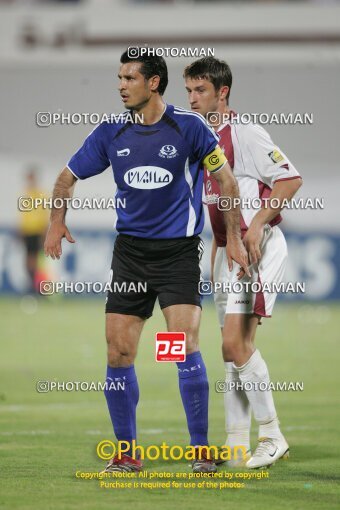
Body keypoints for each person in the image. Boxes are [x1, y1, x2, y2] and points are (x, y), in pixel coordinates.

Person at [44, 49, 249, 473]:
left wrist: (232, 237)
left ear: (153, 82)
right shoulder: (110, 133)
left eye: (129, 78)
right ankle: (127, 454)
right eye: (119, 77)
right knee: (119, 352)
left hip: (177, 256)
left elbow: (225, 179)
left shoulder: (189, 128)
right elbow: (67, 178)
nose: (121, 85)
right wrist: (55, 222)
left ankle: (198, 451)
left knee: (180, 349)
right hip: (131, 257)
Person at [184, 57, 302, 469]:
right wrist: (216, 255)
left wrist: (255, 228)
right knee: (228, 351)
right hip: (224, 253)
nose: (193, 99)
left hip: (256, 248)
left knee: (236, 344)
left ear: (223, 93)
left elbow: (289, 179)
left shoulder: (246, 133)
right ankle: (236, 443)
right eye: (188, 91)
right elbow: (216, 209)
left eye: (200, 91)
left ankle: (272, 435)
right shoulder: (199, 141)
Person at [19, 168, 49, 293]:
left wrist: (44, 233)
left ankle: (38, 288)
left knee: (36, 262)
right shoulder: (25, 194)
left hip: (37, 231)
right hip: (27, 232)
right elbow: (23, 215)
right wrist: (21, 229)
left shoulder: (41, 194)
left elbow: (44, 215)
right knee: (29, 262)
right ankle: (34, 286)